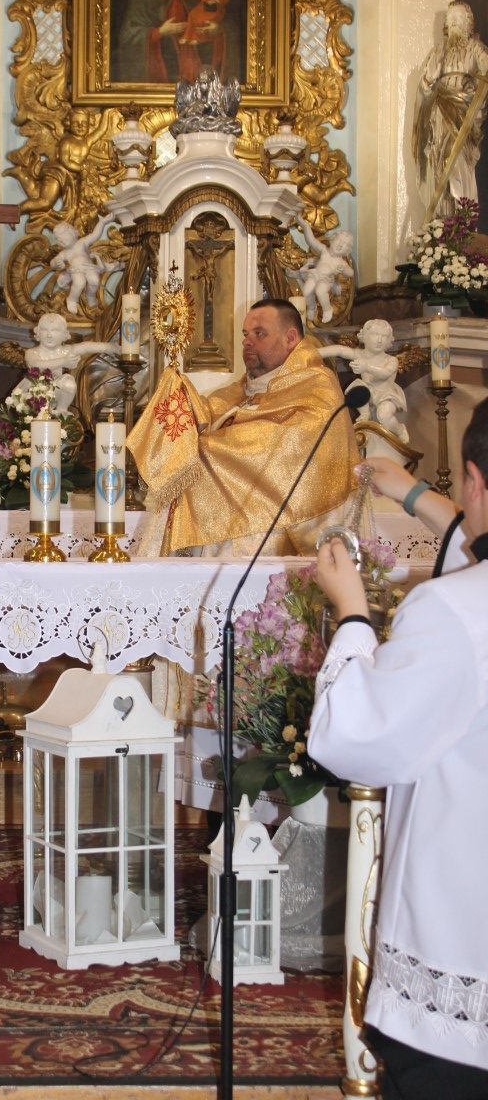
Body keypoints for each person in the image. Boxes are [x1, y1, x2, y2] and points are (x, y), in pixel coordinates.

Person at [309, 408, 488, 1099]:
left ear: (474, 481)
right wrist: (411, 492)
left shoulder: (451, 610)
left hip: (461, 948)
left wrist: (352, 613)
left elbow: (358, 739)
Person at [127, 298, 360, 557]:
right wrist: (179, 394)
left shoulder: (318, 385)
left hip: (274, 533)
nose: (248, 342)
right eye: (245, 334)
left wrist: (209, 448)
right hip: (225, 527)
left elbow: (288, 446)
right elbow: (207, 413)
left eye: (260, 334)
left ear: (291, 338)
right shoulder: (241, 390)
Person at [116, 0, 243, 86]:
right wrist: (159, 32)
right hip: (163, 71)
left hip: (198, 69)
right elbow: (128, 36)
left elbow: (227, 22)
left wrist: (218, 29)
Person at [413, 1, 488, 219]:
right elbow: (425, 84)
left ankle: (461, 220)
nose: (454, 22)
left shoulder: (476, 48)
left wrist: (473, 92)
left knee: (456, 162)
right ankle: (442, 219)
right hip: (439, 113)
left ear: (468, 22)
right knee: (437, 163)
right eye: (451, 18)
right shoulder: (440, 50)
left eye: (459, 18)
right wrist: (428, 82)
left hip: (464, 115)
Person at [320, 319, 409, 442]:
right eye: (375, 334)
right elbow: (340, 350)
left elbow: (385, 374)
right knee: (357, 387)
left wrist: (366, 367)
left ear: (389, 340)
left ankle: (400, 430)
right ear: (364, 337)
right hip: (368, 392)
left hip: (387, 395)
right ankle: (365, 413)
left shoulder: (391, 360)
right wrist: (314, 353)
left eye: (384, 336)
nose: (379, 340)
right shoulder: (360, 354)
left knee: (384, 415)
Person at [22, 312, 120, 412]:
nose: (49, 335)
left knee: (68, 383)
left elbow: (85, 347)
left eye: (55, 330)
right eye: (44, 330)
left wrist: (108, 347)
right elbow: (37, 366)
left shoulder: (65, 351)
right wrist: (63, 361)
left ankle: (61, 411)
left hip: (54, 394)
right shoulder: (31, 352)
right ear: (38, 332)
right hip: (32, 395)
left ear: (64, 334)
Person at [288, 215, 354, 325]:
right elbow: (311, 240)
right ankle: (312, 307)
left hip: (326, 280)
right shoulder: (324, 250)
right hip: (314, 275)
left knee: (320, 291)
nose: (340, 245)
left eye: (345, 245)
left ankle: (327, 309)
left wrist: (344, 269)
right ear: (332, 239)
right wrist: (304, 225)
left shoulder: (341, 262)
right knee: (306, 291)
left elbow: (350, 273)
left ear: (347, 250)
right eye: (339, 241)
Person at [50, 213, 117, 315]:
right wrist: (56, 263)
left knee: (94, 281)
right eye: (58, 239)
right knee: (79, 282)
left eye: (63, 237)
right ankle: (72, 299)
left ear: (72, 233)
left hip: (90, 268)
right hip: (76, 270)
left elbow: (95, 235)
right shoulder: (64, 253)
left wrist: (102, 222)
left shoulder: (82, 242)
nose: (60, 241)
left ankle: (90, 296)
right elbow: (53, 263)